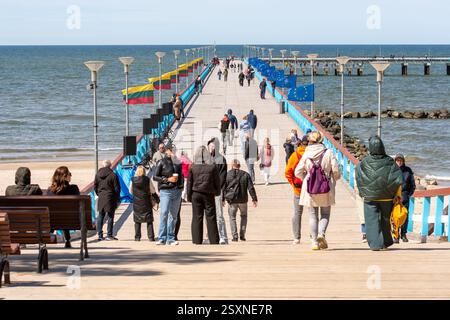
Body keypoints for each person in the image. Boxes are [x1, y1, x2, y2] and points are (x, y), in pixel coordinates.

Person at [294, 131, 341, 251]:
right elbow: (335, 170)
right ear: (321, 140)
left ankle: (314, 242)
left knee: (312, 215)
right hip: (326, 187)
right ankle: (321, 234)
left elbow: (297, 172)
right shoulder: (328, 152)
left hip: (310, 189)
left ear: (310, 141)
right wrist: (334, 179)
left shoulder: (306, 154)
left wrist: (306, 178)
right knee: (325, 214)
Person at [355, 136, 403, 251]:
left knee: (371, 221)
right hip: (387, 197)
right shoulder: (390, 161)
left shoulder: (364, 162)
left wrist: (363, 192)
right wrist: (397, 195)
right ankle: (385, 242)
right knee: (385, 221)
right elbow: (398, 179)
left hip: (370, 197)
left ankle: (376, 244)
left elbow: (359, 177)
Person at [186, 146, 221, 245]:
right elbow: (217, 182)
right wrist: (217, 192)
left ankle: (197, 240)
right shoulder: (212, 166)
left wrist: (189, 196)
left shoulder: (192, 167)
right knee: (211, 217)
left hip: (195, 194)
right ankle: (214, 240)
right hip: (208, 194)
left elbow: (189, 183)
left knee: (197, 217)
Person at [153, 145, 184, 245]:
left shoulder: (178, 163)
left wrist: (181, 186)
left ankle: (170, 238)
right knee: (164, 213)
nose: (174, 152)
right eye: (172, 151)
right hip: (165, 191)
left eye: (175, 150)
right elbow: (155, 177)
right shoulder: (161, 162)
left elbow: (181, 176)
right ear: (167, 151)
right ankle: (161, 238)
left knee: (173, 216)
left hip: (177, 191)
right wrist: (166, 179)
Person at [223, 159, 258, 242]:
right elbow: (250, 188)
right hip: (243, 199)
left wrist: (222, 199)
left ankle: (235, 236)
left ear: (232, 165)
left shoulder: (227, 175)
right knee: (244, 216)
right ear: (239, 166)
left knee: (232, 218)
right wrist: (254, 199)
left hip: (232, 200)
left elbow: (223, 187)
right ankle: (242, 235)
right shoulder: (246, 174)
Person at [47, 166, 80, 248]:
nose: (71, 176)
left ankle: (50, 235)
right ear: (65, 177)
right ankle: (67, 240)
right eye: (69, 174)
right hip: (72, 221)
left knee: (57, 215)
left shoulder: (50, 190)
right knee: (65, 215)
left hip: (52, 221)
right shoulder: (74, 189)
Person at [285, 137, 307, 244]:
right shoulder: (314, 155)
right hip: (313, 188)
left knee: (297, 213)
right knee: (314, 213)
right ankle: (314, 237)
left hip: (298, 188)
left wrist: (293, 184)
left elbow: (287, 172)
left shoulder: (294, 156)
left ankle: (296, 237)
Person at [208, 138, 229, 244]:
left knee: (219, 215)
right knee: (208, 215)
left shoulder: (221, 159)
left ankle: (223, 237)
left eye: (214, 146)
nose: (212, 148)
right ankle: (210, 236)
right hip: (206, 192)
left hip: (217, 191)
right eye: (210, 146)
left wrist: (221, 193)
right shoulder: (204, 159)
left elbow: (223, 177)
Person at [94, 160, 121, 241]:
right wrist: (117, 197)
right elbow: (117, 188)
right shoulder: (113, 175)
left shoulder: (98, 174)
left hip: (101, 196)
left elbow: (95, 186)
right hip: (110, 197)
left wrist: (99, 193)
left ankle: (100, 235)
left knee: (101, 216)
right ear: (110, 166)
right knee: (110, 216)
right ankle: (109, 235)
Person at [131, 166, 158, 241]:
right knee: (149, 220)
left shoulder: (133, 180)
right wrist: (157, 199)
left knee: (137, 220)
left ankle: (137, 237)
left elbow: (131, 191)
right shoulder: (147, 180)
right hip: (146, 202)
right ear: (144, 171)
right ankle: (151, 237)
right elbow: (152, 190)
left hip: (137, 203)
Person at [394, 153, 416, 243]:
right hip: (394, 197)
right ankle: (396, 235)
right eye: (397, 160)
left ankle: (403, 234)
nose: (399, 162)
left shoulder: (408, 171)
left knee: (405, 216)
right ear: (395, 161)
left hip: (405, 196)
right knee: (395, 216)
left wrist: (408, 195)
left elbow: (413, 185)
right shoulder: (392, 170)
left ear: (403, 161)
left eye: (400, 160)